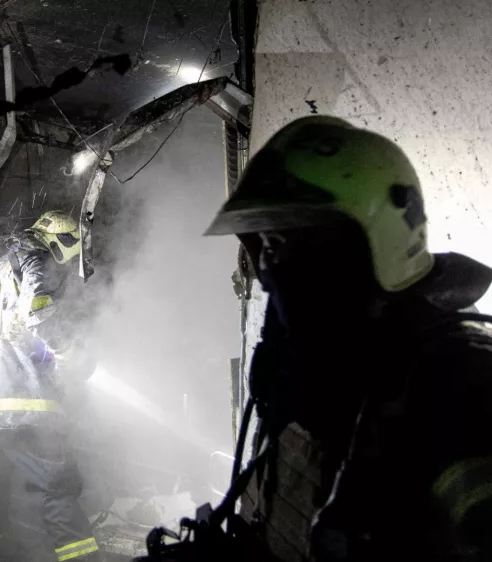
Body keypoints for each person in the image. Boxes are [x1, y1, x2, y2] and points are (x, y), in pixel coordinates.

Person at [201, 116, 492, 561]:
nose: (273, 272)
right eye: (267, 246)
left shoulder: (458, 385)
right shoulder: (308, 381)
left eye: (289, 244)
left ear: (366, 248)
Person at [0, 210, 101, 562]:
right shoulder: (35, 258)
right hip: (24, 403)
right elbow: (37, 312)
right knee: (59, 483)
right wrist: (69, 354)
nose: (67, 263)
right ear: (61, 241)